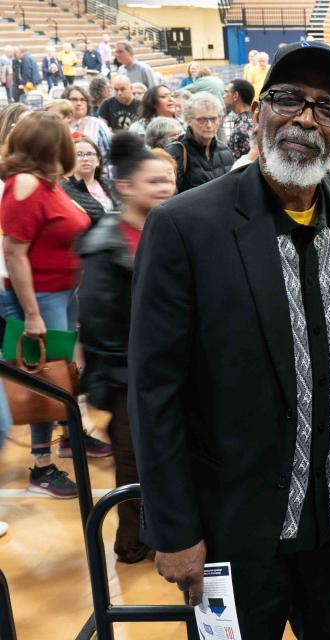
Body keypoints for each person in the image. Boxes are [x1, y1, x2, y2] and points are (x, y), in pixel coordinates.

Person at [130, 41, 330, 637]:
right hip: (231, 532)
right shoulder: (185, 226)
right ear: (256, 112)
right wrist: (174, 529)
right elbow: (153, 389)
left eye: (327, 109)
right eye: (288, 99)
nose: (304, 118)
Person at [76, 132, 176, 564]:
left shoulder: (172, 228)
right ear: (126, 187)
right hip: (127, 377)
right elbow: (99, 323)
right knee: (136, 464)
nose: (164, 189)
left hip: (170, 370)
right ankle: (132, 542)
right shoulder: (106, 243)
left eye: (168, 180)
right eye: (153, 181)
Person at [0, 112, 111, 500]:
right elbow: (13, 253)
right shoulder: (26, 183)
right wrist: (31, 313)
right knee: (43, 378)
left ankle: (69, 436)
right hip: (40, 297)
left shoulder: (48, 183)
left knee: (61, 375)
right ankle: (42, 465)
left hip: (61, 294)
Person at [164, 92, 233, 193]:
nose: (209, 125)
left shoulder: (225, 150)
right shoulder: (176, 151)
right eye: (202, 120)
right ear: (188, 120)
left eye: (213, 119)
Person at [61, 136, 117, 223]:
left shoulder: (110, 184)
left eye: (90, 154)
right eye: (79, 154)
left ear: (98, 160)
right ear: (70, 160)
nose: (85, 159)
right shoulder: (62, 190)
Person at [64, 86, 111, 157]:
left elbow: (107, 154)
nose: (79, 103)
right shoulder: (60, 125)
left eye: (82, 100)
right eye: (74, 99)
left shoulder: (97, 124)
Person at [223, 78, 255, 160]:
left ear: (235, 96)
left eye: (226, 92)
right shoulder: (252, 119)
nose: (223, 96)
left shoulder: (242, 129)